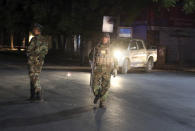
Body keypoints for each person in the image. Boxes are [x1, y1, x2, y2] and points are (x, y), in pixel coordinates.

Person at [89, 33, 117, 108]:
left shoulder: (111, 48)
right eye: (104, 38)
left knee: (106, 87)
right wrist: (92, 62)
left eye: (106, 38)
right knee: (94, 85)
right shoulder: (96, 48)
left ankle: (102, 102)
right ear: (101, 38)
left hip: (107, 70)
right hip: (98, 69)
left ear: (108, 39)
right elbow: (90, 56)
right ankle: (97, 95)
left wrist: (115, 68)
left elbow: (115, 59)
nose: (105, 39)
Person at [26, 23, 48, 102]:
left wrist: (30, 56)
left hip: (33, 61)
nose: (33, 30)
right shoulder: (44, 40)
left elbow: (29, 50)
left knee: (33, 77)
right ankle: (35, 96)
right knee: (35, 77)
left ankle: (36, 96)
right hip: (40, 61)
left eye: (34, 29)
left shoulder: (34, 39)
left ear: (37, 30)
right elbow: (45, 51)